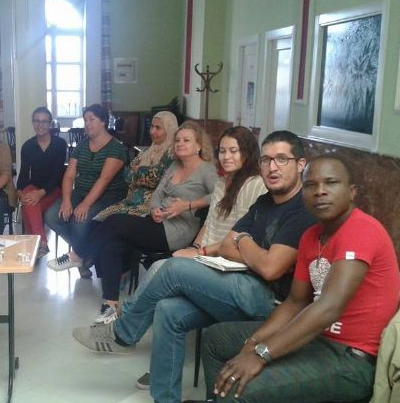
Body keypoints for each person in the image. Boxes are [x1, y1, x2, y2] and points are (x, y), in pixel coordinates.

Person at [72, 130, 317, 403]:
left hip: (270, 302)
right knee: (169, 311)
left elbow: (270, 269)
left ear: (301, 164)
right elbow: (227, 244)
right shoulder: (266, 202)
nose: (272, 167)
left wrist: (243, 242)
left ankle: (123, 334)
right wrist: (244, 245)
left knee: (173, 268)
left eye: (282, 159)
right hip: (238, 282)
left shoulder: (302, 210)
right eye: (267, 160)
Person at [202, 155, 400, 403]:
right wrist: (253, 343)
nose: (320, 191)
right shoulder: (311, 236)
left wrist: (262, 354)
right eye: (311, 185)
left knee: (239, 389)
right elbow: (295, 303)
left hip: (351, 360)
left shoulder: (362, 230)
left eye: (331, 183)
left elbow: (328, 308)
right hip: (317, 342)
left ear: (352, 191)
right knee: (216, 339)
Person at [131, 125, 268, 387]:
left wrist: (200, 252)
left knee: (162, 268)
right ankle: (155, 363)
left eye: (234, 151)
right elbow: (210, 223)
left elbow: (240, 237)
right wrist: (195, 247)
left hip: (230, 265)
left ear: (248, 153)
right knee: (166, 300)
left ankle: (125, 331)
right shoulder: (222, 183)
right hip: (208, 257)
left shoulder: (255, 185)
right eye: (223, 151)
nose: (226, 157)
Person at [83, 121, 219, 323]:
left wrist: (188, 205)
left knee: (114, 221)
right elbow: (158, 193)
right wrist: (154, 208)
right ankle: (110, 304)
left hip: (178, 230)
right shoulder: (175, 166)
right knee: (112, 243)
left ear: (199, 145)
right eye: (178, 140)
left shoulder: (206, 170)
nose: (180, 144)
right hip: (156, 221)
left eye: (186, 140)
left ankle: (80, 254)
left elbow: (219, 196)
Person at [45, 103, 127, 275]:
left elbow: (104, 180)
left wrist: (85, 205)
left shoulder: (116, 148)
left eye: (92, 119)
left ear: (103, 121)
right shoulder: (82, 145)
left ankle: (80, 256)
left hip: (108, 197)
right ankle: (85, 254)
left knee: (79, 221)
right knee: (52, 215)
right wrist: (66, 201)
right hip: (81, 192)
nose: (87, 124)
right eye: (85, 120)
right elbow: (69, 176)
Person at [93, 111, 177, 221]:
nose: (152, 131)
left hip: (151, 206)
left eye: (158, 128)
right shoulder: (146, 152)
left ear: (169, 130)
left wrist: (138, 171)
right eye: (152, 126)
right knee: (99, 219)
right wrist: (144, 173)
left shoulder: (172, 154)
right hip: (131, 201)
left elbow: (156, 178)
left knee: (114, 222)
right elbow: (127, 175)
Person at [16, 107, 67, 258]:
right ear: (32, 123)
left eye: (44, 121)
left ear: (50, 123)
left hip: (55, 190)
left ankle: (35, 244)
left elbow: (57, 175)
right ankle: (42, 243)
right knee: (28, 200)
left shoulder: (60, 144)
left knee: (29, 205)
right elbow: (23, 174)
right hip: (34, 188)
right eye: (37, 121)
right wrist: (20, 193)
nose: (40, 125)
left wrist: (40, 193)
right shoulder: (28, 146)